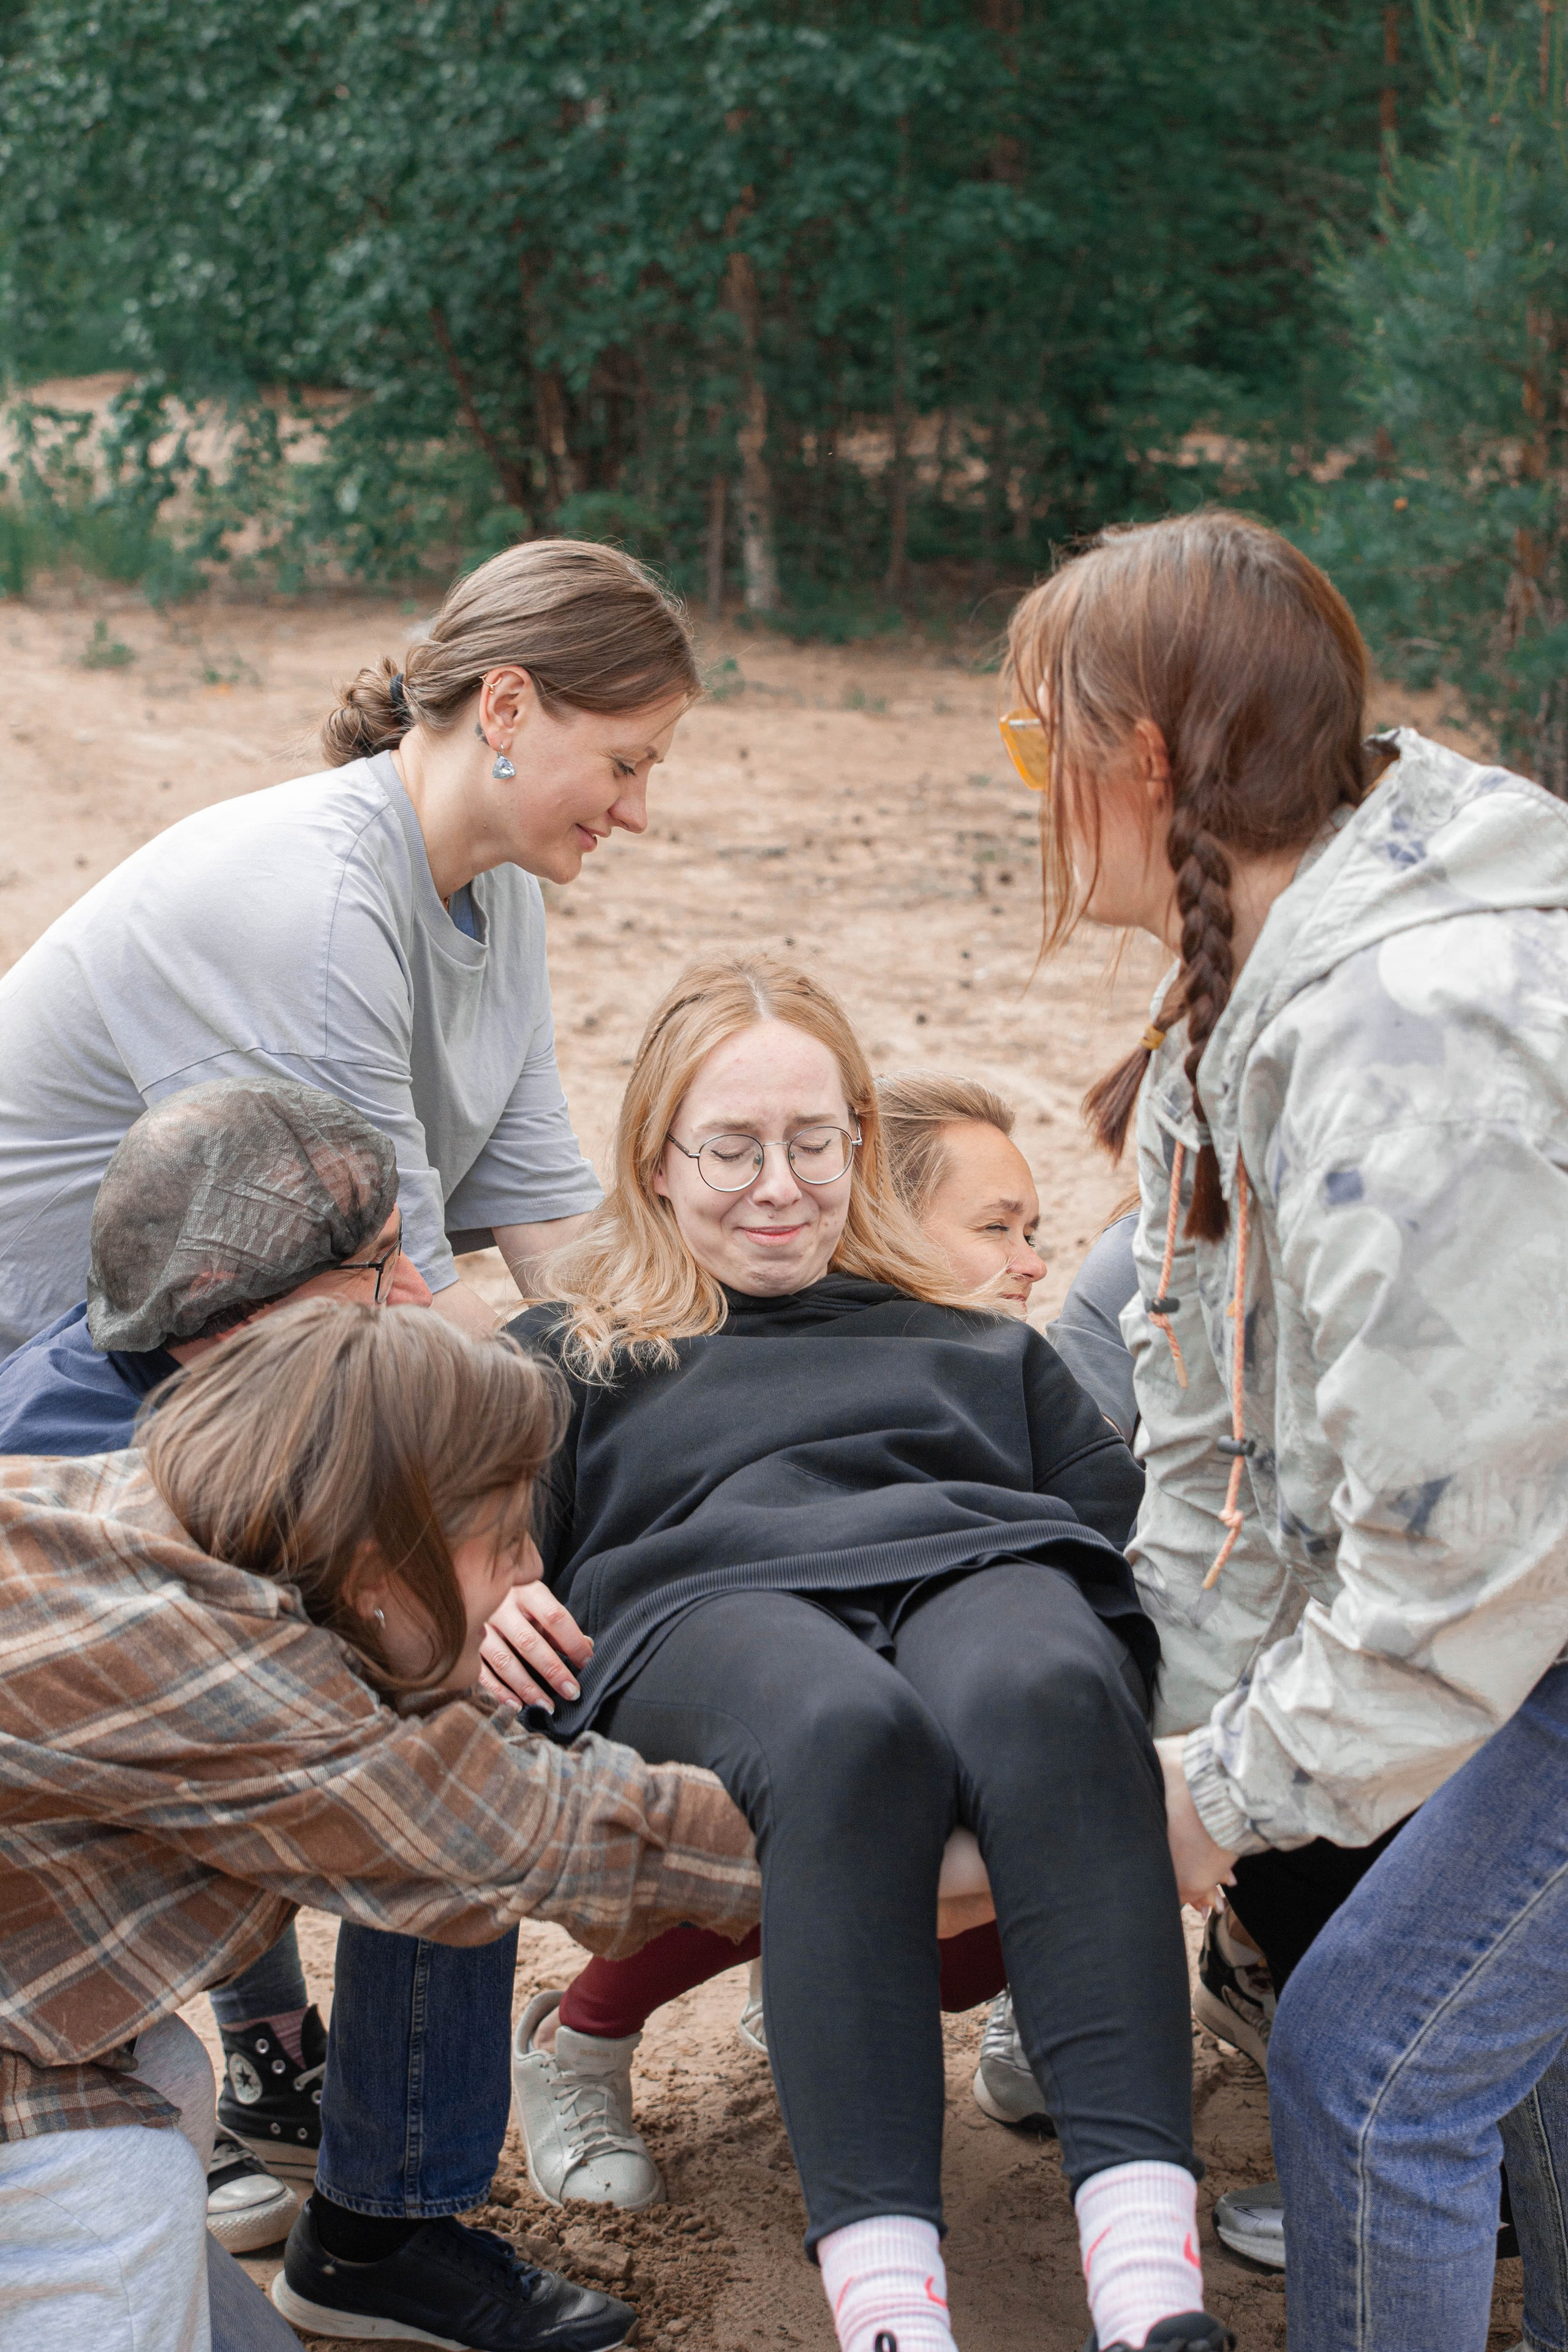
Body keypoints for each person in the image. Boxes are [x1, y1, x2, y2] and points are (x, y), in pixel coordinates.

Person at [481, 951, 1232, 2352]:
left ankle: (1149, 2297)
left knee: (1049, 1681)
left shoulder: (972, 1345)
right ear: (653, 1161)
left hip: (976, 1565)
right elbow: (457, 1549)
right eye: (732, 1148)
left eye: (813, 1142)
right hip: (709, 1605)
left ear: (857, 1146)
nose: (779, 1185)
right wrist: (481, 1599)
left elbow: (1120, 1547)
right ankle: (892, 2315)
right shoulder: (572, 1354)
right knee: (844, 1731)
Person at [1001, 506, 1568, 2349]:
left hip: (1529, 1581)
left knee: (1378, 2064)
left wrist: (1227, 1800)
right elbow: (1218, 1454)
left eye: (1034, 746)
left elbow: (1465, 1564)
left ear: (1143, 761)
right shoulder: (1245, 996)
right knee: (1497, 2025)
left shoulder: (1415, 1050)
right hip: (1530, 1579)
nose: (1027, 790)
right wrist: (1150, 1750)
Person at [0, 1300, 758, 2352]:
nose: (531, 1573)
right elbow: (542, 1831)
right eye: (502, 1542)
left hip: (56, 2012)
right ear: (374, 1568)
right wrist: (858, 1839)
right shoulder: (238, 1685)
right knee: (107, 2193)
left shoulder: (155, 1515)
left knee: (165, 2083)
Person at [507, 1068, 1052, 2211]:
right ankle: (584, 2034)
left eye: (1034, 1229)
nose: (1032, 1262)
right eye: (995, 1229)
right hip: (748, 1706)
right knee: (836, 1782)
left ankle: (1037, 1997)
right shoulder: (676, 1366)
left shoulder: (1012, 1373)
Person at [0, 535, 696, 1355]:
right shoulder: (315, 908)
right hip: (48, 1374)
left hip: (192, 1343)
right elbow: (407, 1302)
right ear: (504, 707)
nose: (637, 812)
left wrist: (672, 1365)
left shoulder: (502, 892)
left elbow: (545, 1212)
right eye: (623, 765)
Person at [0, 1074, 431, 2248]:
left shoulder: (222, 1375)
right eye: (379, 1269)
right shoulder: (77, 1466)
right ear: (237, 1315)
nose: (419, 1293)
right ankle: (103, 2083)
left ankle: (270, 2048)